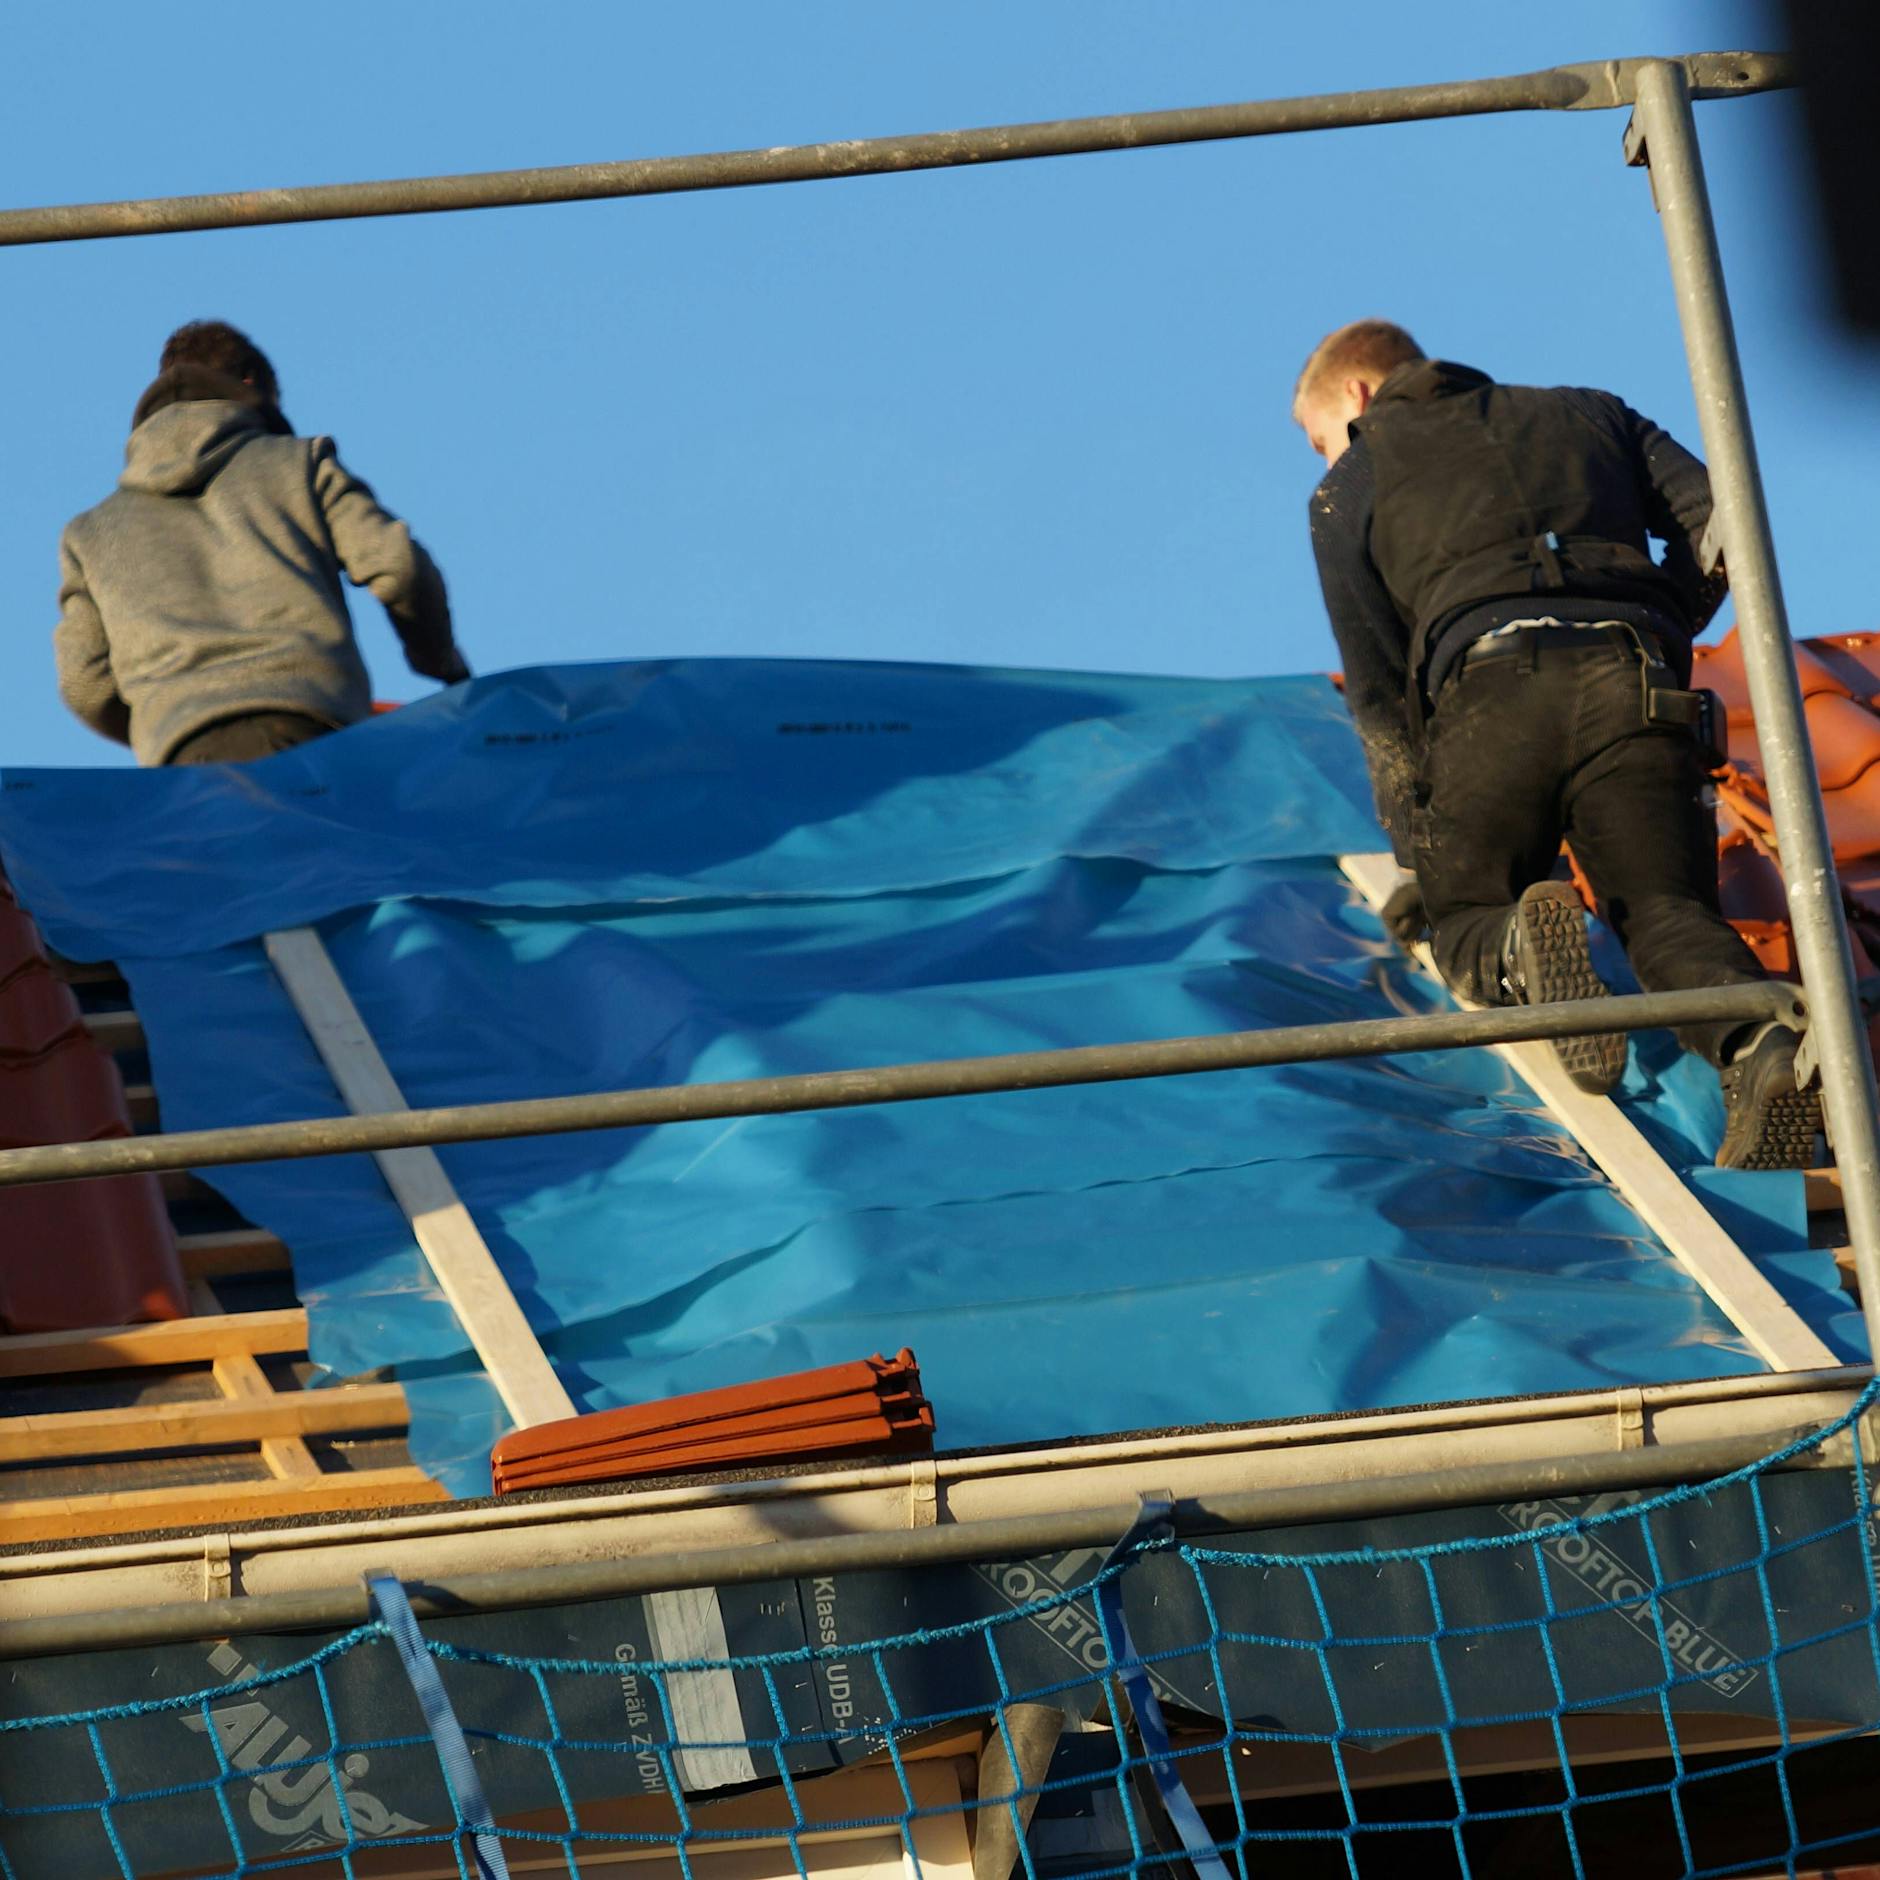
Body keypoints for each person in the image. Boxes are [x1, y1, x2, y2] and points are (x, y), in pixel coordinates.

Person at [1292, 318, 1819, 1170]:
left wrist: (1425, 852)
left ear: (1357, 395)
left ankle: (1513, 945)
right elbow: (1724, 524)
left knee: (1467, 910)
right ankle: (1759, 1046)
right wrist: (1660, 621)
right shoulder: (1593, 413)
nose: (1328, 456)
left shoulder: (1349, 485)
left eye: (1321, 439)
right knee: (1667, 913)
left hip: (1487, 691)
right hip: (1635, 679)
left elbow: (1383, 692)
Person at [55, 320, 469, 766]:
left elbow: (85, 685)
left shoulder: (91, 532)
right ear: (251, 385)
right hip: (310, 737)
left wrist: (169, 720)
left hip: (184, 773)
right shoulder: (300, 464)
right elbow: (399, 566)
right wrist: (443, 665)